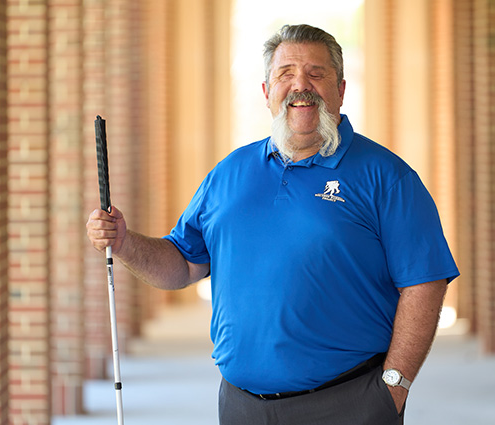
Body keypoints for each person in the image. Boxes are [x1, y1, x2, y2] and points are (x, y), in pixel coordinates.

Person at [87, 24, 459, 425]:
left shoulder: (386, 177)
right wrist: (125, 243)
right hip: (241, 406)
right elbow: (183, 263)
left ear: (341, 89)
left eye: (316, 73)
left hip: (348, 403)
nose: (301, 85)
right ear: (267, 93)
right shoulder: (229, 174)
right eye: (285, 74)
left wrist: (394, 385)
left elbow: (424, 281)